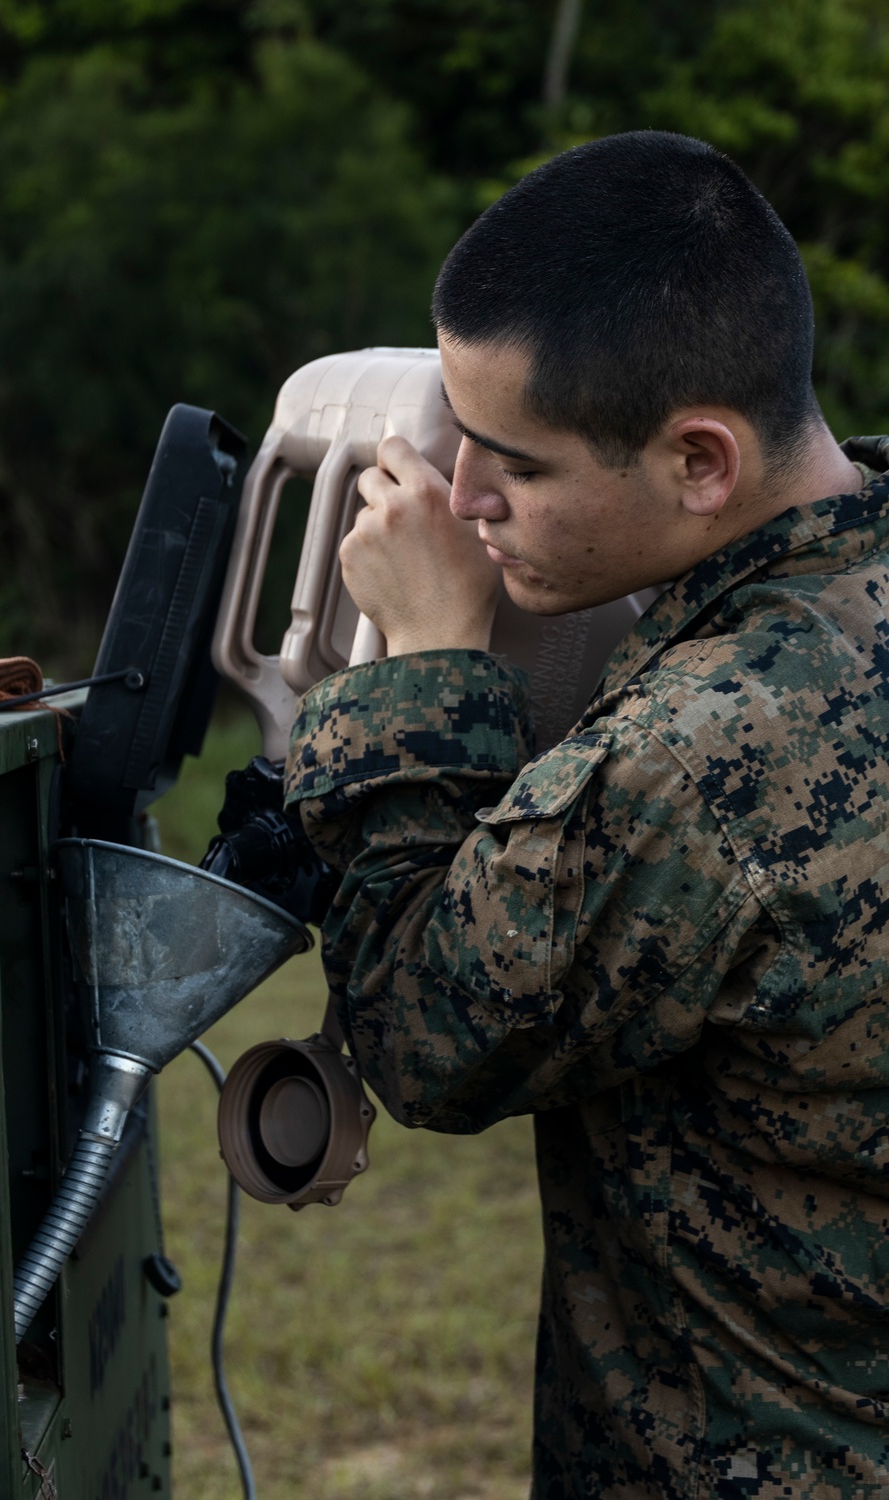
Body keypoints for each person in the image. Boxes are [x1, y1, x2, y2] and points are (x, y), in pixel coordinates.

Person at [283, 131, 889, 1498]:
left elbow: (430, 1036)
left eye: (517, 468)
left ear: (699, 461)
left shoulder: (707, 754)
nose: (465, 501)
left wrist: (433, 664)